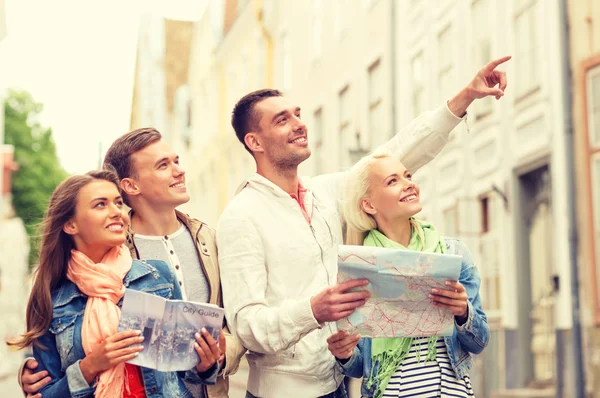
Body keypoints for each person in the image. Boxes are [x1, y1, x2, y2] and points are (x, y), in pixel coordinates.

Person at [216, 56, 509, 398]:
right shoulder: (241, 216)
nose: (299, 124)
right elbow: (247, 325)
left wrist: (465, 98)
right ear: (255, 142)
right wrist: (312, 310)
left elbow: (395, 156)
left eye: (298, 114)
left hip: (339, 386)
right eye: (283, 120)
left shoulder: (324, 193)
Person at [18, 129, 246, 398]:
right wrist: (88, 366)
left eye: (116, 203)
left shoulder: (172, 263)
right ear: (70, 224)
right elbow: (44, 388)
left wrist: (212, 359)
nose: (179, 170)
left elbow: (225, 333)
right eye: (100, 204)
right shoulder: (50, 297)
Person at [326, 152, 489, 398]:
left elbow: (479, 342)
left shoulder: (453, 253)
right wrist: (345, 353)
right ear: (369, 204)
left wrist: (464, 313)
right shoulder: (357, 268)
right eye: (392, 181)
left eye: (408, 176)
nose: (408, 183)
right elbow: (361, 367)